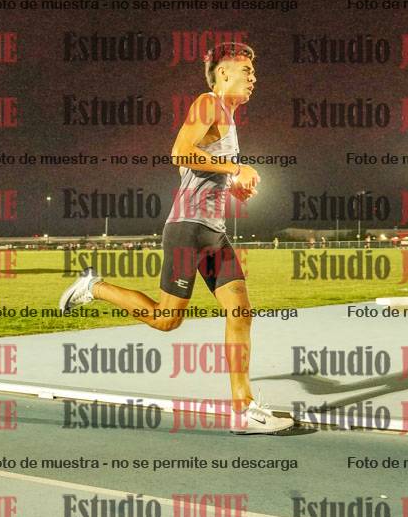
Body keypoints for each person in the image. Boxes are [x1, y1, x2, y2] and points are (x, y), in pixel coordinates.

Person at [59, 42, 294, 434]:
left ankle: (244, 409)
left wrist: (232, 184)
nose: (254, 78)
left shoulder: (227, 119)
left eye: (254, 72)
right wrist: (236, 169)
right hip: (188, 228)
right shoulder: (208, 103)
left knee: (240, 311)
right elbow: (180, 153)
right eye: (247, 71)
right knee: (167, 319)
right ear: (223, 73)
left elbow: (197, 168)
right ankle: (94, 287)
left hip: (213, 232)